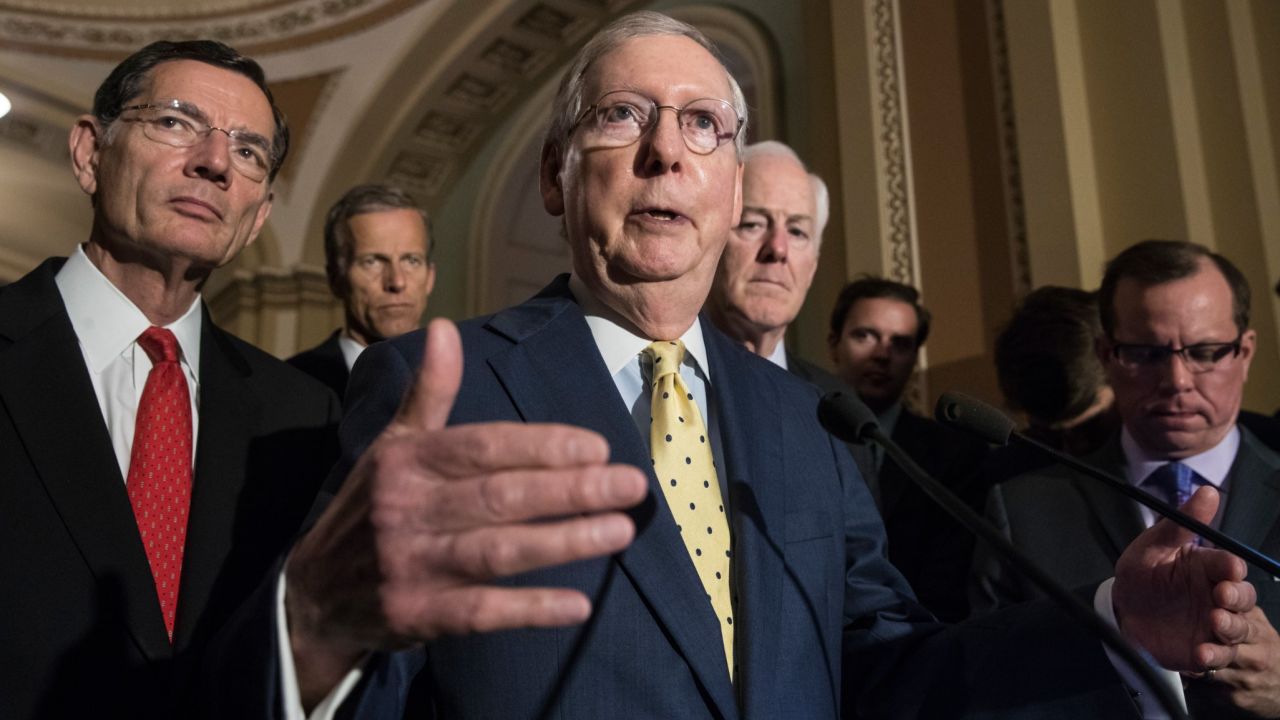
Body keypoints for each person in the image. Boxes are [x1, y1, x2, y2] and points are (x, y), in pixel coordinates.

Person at [209, 14, 1256, 720]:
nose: (667, 150)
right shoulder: (435, 379)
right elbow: (356, 671)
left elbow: (884, 673)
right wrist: (314, 629)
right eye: (622, 117)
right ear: (552, 178)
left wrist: (1112, 625)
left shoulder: (807, 417)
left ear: (726, 187)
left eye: (703, 125)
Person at [0, 40, 340, 719]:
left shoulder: (305, 417)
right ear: (90, 154)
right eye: (176, 122)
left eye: (248, 152)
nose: (214, 162)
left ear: (258, 217)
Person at [975, 240, 1280, 718]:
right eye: (1146, 353)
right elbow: (981, 689)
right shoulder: (1021, 511)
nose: (1177, 380)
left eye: (1204, 351)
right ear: (1106, 355)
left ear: (1244, 351)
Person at [704, 140, 878, 497]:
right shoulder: (656, 379)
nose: (777, 250)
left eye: (797, 232)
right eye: (753, 224)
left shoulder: (840, 408)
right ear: (711, 240)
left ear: (812, 266)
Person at [826, 277, 990, 620]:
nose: (883, 354)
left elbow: (950, 578)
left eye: (900, 344)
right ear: (833, 344)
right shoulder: (793, 435)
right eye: (865, 336)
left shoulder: (952, 454)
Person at [288, 183, 436, 401]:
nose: (396, 281)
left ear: (430, 278)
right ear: (336, 279)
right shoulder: (291, 383)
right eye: (372, 262)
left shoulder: (474, 378)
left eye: (411, 261)